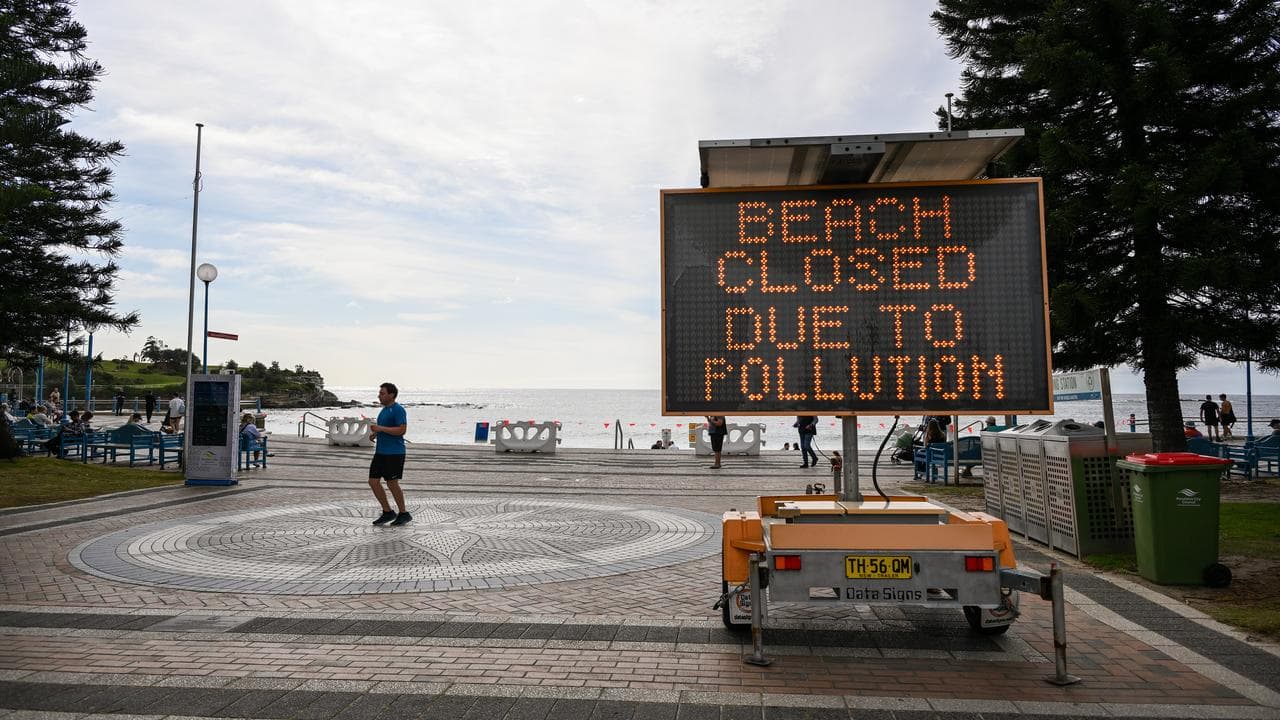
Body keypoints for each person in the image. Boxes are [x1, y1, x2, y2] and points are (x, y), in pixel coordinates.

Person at [368, 382, 411, 526]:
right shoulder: (384, 410)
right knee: (373, 482)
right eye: (379, 393)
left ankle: (404, 513)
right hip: (381, 452)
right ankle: (387, 512)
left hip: (395, 453)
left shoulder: (398, 410)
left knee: (392, 483)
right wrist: (375, 433)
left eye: (382, 393)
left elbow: (401, 430)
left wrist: (380, 428)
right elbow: (386, 428)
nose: (379, 396)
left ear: (391, 395)